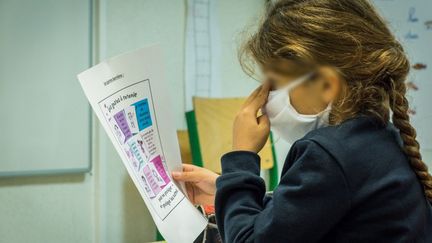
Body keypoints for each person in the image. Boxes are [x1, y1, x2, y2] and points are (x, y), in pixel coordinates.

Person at [172, 0, 432, 242]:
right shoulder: (375, 136)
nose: (267, 99)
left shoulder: (328, 154)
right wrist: (225, 189)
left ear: (327, 85)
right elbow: (303, 216)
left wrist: (242, 156)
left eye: (275, 84)